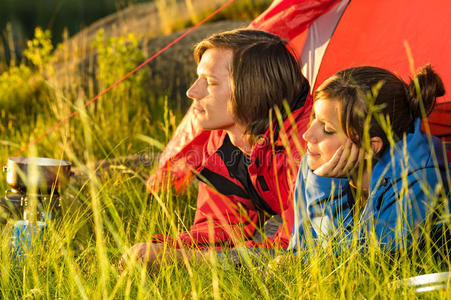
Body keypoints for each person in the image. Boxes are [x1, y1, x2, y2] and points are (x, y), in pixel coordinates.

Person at [120, 29, 312, 269]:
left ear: (251, 91)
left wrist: (183, 260)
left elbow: (295, 247)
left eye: (209, 82)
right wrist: (167, 249)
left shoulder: (310, 145)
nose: (192, 92)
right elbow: (220, 224)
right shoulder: (223, 141)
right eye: (198, 78)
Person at [290, 65, 450, 254]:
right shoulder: (317, 164)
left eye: (328, 129)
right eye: (314, 118)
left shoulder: (419, 179)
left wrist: (327, 193)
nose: (307, 135)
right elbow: (301, 252)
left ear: (371, 146)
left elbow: (360, 267)